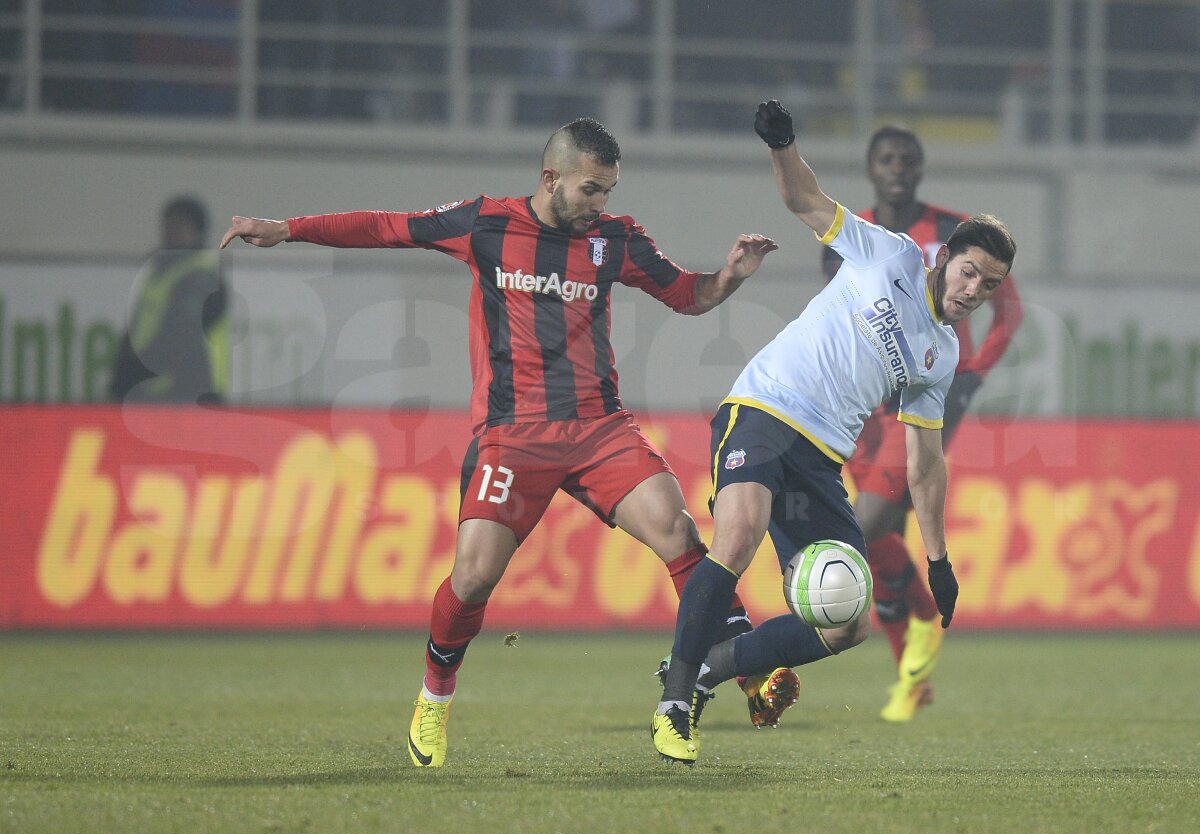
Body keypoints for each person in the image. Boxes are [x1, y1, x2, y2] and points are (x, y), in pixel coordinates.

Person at [220, 117, 778, 768]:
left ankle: (745, 673)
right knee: (475, 576)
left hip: (599, 427)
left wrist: (732, 274)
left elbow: (687, 296)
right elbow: (386, 227)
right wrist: (289, 229)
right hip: (512, 437)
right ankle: (435, 697)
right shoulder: (485, 224)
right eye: (593, 190)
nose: (603, 204)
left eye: (609, 191)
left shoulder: (615, 240)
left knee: (680, 534)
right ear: (551, 178)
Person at [651, 100, 1015, 764]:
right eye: (968, 272)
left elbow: (926, 463)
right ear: (945, 258)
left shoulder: (942, 354)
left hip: (820, 458)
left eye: (988, 287)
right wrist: (782, 143)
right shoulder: (890, 254)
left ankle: (708, 669)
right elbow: (804, 198)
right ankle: (676, 702)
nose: (973, 290)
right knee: (738, 533)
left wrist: (938, 561)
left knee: (850, 624)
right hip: (763, 408)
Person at [822, 125, 1023, 722]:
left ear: (921, 167)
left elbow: (1008, 312)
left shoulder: (954, 234)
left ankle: (912, 635)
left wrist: (972, 376)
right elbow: (836, 314)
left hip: (924, 400)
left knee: (866, 525)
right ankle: (914, 669)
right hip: (863, 403)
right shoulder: (849, 234)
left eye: (908, 159)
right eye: (887, 158)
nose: (898, 168)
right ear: (870, 167)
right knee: (881, 539)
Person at [110, 195, 230, 404]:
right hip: (156, 391)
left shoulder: (203, 276)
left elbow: (180, 337)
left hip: (189, 392)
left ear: (198, 232)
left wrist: (134, 376)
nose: (170, 233)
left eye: (179, 226)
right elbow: (137, 329)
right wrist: (122, 378)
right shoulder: (158, 272)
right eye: (168, 225)